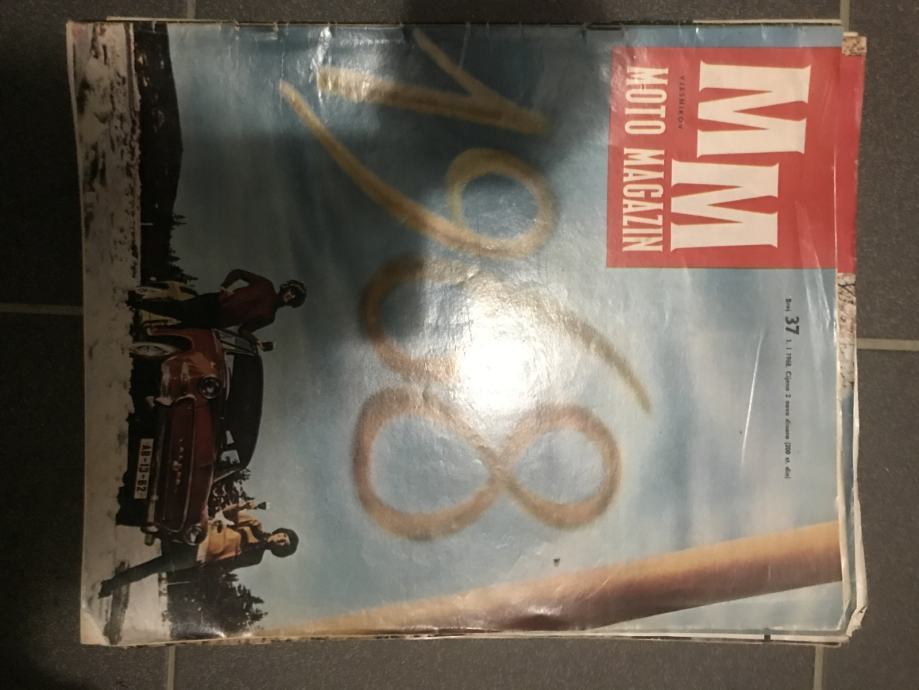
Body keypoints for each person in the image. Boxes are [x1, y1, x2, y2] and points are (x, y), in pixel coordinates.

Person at [99, 500, 299, 597]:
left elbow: (227, 566)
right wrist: (246, 505)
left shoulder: (256, 558)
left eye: (285, 544)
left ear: (280, 551)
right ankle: (114, 517)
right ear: (280, 532)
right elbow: (228, 513)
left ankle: (110, 585)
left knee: (152, 567)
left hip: (197, 557)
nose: (281, 539)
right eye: (284, 535)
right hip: (198, 534)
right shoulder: (255, 525)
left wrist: (206, 569)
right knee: (157, 525)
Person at [136, 269, 306, 335]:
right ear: (286, 288)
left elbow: (244, 330)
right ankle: (137, 303)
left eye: (294, 298)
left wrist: (255, 341)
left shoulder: (269, 317)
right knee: (177, 309)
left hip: (215, 321)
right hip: (214, 303)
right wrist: (225, 285)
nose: (290, 296)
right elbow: (238, 273)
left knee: (181, 330)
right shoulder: (265, 284)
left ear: (292, 304)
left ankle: (144, 334)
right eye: (291, 291)